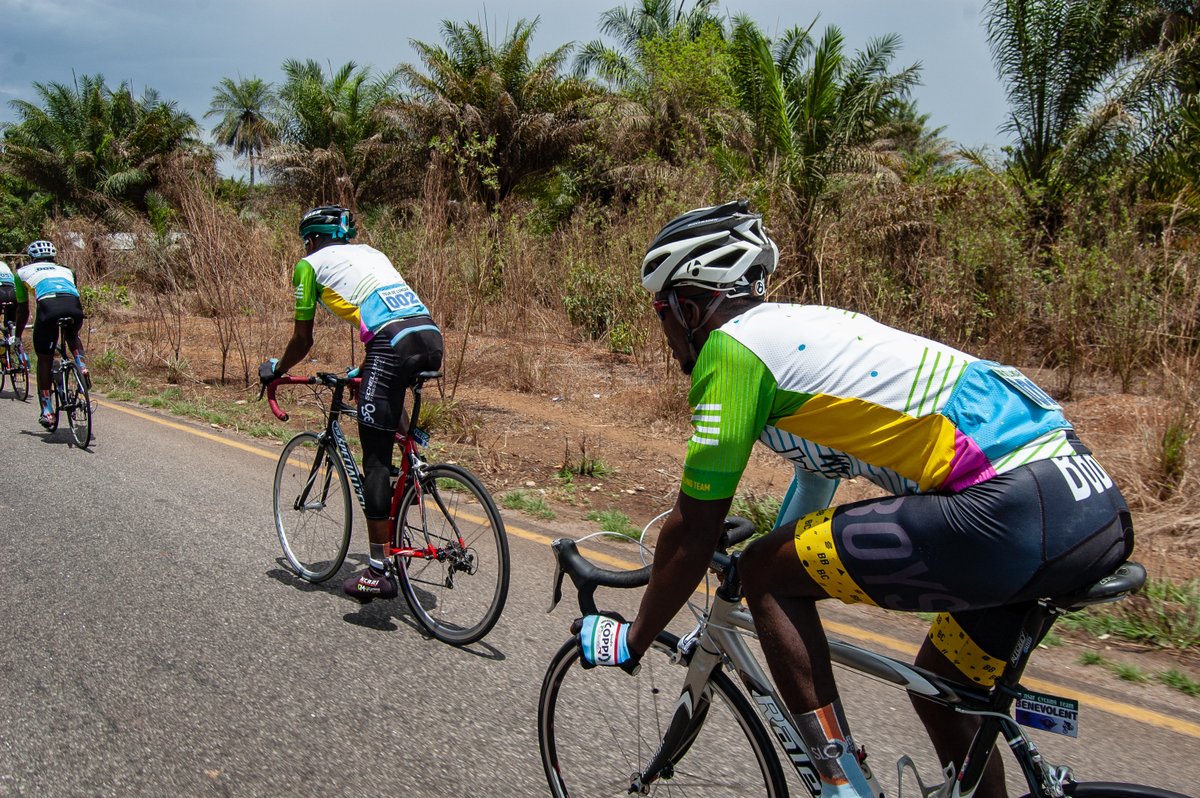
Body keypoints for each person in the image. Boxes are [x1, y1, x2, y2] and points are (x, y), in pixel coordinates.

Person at [574, 201, 1133, 798]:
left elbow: (692, 531)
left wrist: (633, 638)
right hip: (1085, 502)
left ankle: (841, 784)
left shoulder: (732, 351)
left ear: (686, 306)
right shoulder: (801, 329)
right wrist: (755, 563)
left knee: (768, 575)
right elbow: (817, 478)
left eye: (660, 311)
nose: (663, 333)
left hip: (1008, 508)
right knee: (940, 693)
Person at [261, 205, 444, 601]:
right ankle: (415, 472)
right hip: (428, 335)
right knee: (384, 410)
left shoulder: (308, 266)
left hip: (390, 343)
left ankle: (377, 570)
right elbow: (380, 314)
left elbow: (303, 340)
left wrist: (277, 367)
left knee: (374, 460)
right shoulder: (371, 254)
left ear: (311, 239)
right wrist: (365, 370)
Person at [14, 240, 89, 428]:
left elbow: (23, 310)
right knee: (72, 335)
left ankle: (47, 410)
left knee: (45, 359)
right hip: (74, 308)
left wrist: (18, 334)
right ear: (53, 257)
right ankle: (81, 364)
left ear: (32, 258)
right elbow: (72, 294)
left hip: (48, 310)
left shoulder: (22, 272)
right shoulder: (67, 270)